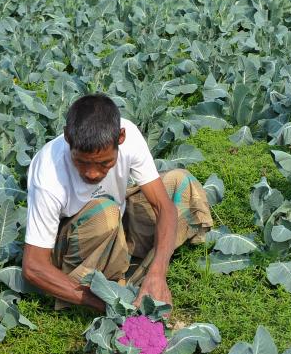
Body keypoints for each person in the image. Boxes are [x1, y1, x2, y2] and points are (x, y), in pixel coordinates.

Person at [21, 93, 214, 313]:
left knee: (181, 184)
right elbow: (33, 267)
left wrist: (158, 274)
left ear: (120, 138)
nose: (92, 173)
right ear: (67, 137)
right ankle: (102, 285)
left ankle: (144, 276)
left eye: (105, 163)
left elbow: (163, 206)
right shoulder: (49, 174)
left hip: (116, 223)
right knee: (106, 212)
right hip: (70, 247)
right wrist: (107, 303)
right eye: (82, 162)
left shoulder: (130, 136)